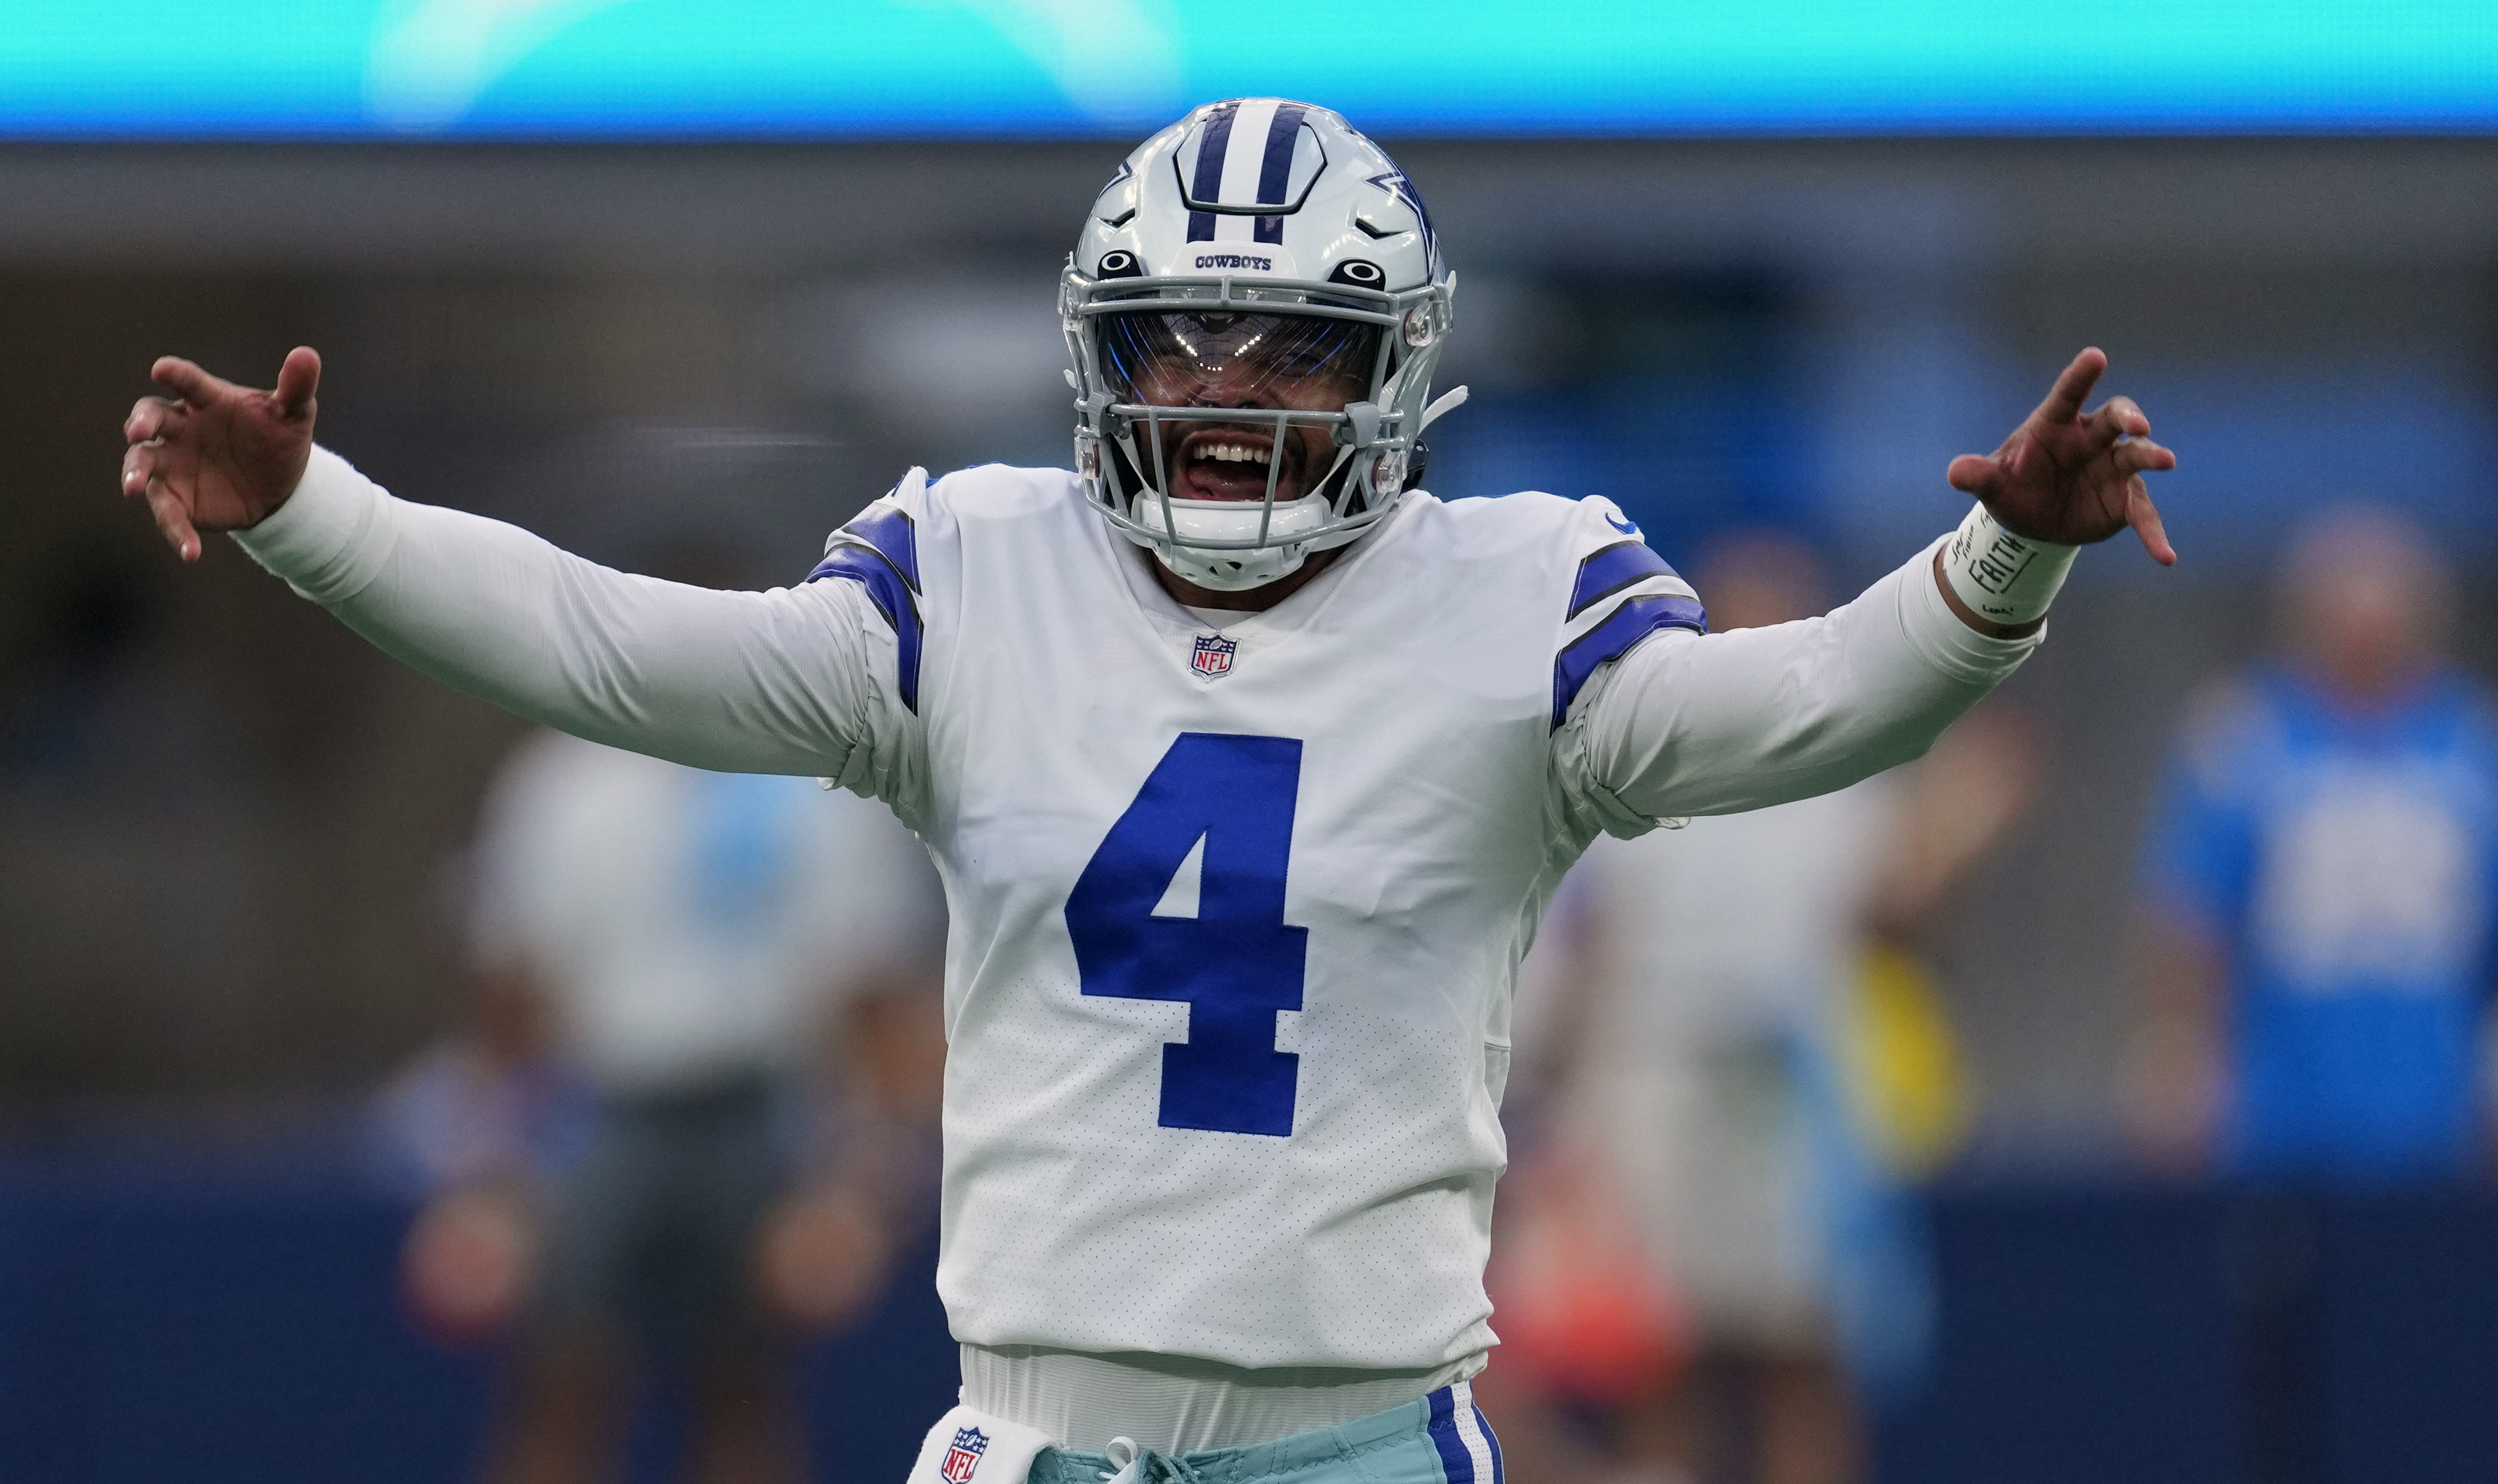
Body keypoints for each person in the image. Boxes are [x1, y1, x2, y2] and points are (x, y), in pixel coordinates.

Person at [119, 100, 2175, 1484]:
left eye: (1289, 345)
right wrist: (320, 510)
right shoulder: (975, 572)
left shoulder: (1511, 595)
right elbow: (608, 647)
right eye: (1182, 336)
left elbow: (1806, 708)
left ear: (1394, 367)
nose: (1223, 386)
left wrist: (2001, 560)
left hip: (1364, 1436)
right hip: (1035, 1434)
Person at [1519, 531, 2038, 1484]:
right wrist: (1559, 1096)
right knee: (1658, 1355)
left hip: (1792, 1087)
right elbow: (1591, 937)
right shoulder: (1634, 750)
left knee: (1801, 1352)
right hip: (1654, 1077)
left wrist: (1965, 820)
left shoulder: (1843, 766)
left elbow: (1891, 903)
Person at [386, 728, 939, 1484]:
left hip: (766, 1116)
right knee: (564, 1382)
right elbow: (511, 990)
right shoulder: (562, 780)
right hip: (602, 1117)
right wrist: (487, 1178)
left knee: (743, 1391)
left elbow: (872, 1001)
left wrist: (856, 1189)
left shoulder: (824, 786)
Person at [2128, 506, 2498, 1182]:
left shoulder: (2472, 748)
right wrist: (2178, 1056)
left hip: (2432, 1111)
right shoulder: (2241, 740)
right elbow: (2189, 914)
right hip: (2276, 1112)